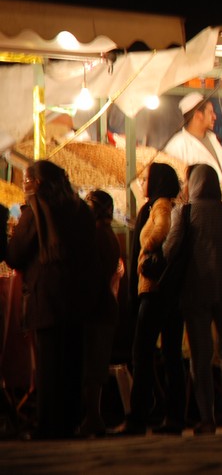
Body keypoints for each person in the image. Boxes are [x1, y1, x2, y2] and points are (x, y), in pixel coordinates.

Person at [5, 160, 100, 439]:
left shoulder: (36, 211)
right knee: (72, 364)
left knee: (49, 366)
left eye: (26, 180)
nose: (24, 186)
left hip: (46, 298)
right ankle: (70, 423)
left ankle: (49, 426)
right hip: (78, 298)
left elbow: (15, 254)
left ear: (38, 183)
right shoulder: (80, 209)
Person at [163, 163, 222, 434]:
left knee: (201, 358)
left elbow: (170, 249)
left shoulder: (185, 211)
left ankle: (207, 419)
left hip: (195, 292)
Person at [124, 161, 187, 436]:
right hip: (170, 290)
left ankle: (138, 417)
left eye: (148, 177)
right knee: (172, 354)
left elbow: (161, 229)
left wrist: (146, 247)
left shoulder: (160, 205)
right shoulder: (168, 203)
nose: (144, 182)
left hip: (153, 288)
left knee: (142, 352)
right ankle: (174, 417)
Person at [78, 189, 123, 438]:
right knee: (96, 364)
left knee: (93, 367)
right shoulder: (107, 234)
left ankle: (94, 417)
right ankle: (93, 417)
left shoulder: (97, 235)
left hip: (98, 307)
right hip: (105, 306)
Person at [162, 93, 222, 189]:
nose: (215, 117)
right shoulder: (176, 146)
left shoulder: (213, 139)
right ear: (198, 115)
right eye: (210, 112)